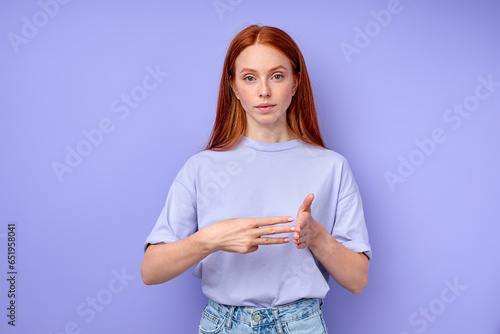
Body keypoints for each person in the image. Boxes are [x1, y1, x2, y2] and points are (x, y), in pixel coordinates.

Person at [141, 24, 371, 334]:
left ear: (296, 82)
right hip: (222, 324)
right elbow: (150, 270)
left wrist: (316, 236)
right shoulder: (201, 167)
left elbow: (357, 280)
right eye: (250, 78)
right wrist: (212, 239)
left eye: (277, 76)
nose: (264, 91)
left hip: (300, 325)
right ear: (234, 86)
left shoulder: (332, 167)